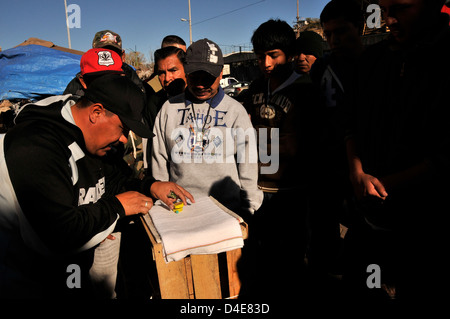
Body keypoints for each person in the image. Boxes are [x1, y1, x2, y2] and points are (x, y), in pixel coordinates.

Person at [0, 74, 192, 298]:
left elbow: (113, 180)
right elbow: (58, 234)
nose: (123, 139)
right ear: (96, 113)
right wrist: (116, 208)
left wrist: (150, 186)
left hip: (66, 270)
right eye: (123, 128)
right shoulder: (36, 145)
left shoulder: (92, 140)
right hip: (21, 276)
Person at [344, 0, 450, 301]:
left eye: (402, 8)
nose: (388, 19)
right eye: (385, 8)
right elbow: (350, 122)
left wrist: (386, 184)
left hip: (428, 225)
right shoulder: (373, 60)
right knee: (367, 289)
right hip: (369, 220)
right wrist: (356, 171)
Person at [241, 19, 320, 299]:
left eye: (273, 55)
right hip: (259, 188)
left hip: (292, 190)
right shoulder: (255, 87)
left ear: (289, 53)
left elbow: (309, 144)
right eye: (261, 56)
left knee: (292, 257)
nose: (267, 62)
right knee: (262, 255)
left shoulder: (307, 90)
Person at [151, 38, 263, 217]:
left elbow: (247, 164)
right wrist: (165, 204)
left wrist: (249, 206)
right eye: (195, 77)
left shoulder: (235, 111)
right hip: (182, 210)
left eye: (208, 78)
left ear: (220, 74)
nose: (201, 85)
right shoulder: (168, 109)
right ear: (186, 73)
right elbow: (160, 161)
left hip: (227, 211)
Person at [305, 0, 364, 291]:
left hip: (364, 165)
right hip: (327, 164)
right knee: (324, 231)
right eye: (328, 34)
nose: (334, 40)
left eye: (341, 31)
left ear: (361, 27)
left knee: (363, 236)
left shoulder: (376, 64)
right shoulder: (323, 67)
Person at [143, 46, 187, 173]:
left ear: (186, 69)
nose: (167, 78)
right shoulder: (153, 104)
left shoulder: (202, 100)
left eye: (173, 70)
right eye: (162, 73)